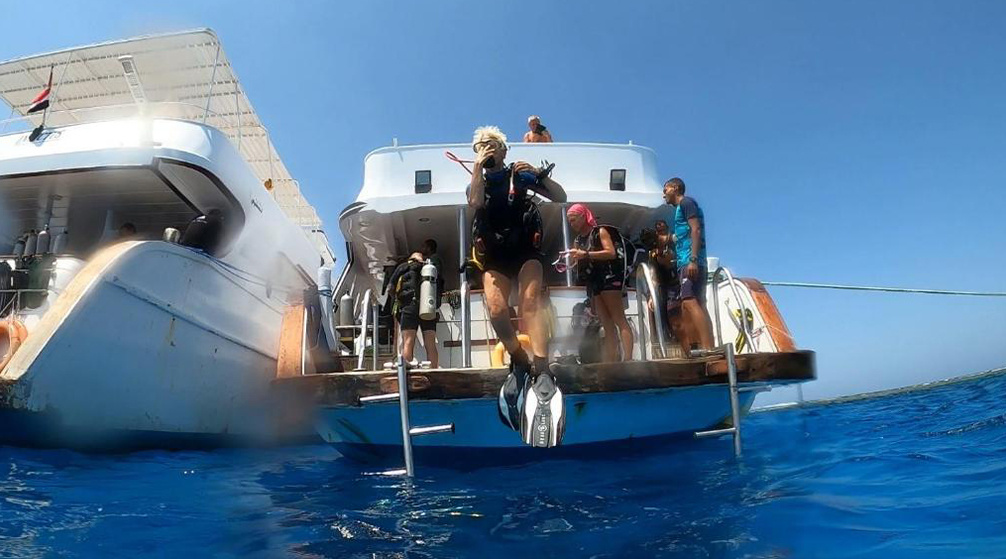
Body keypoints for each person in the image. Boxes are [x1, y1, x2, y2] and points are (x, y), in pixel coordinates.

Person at [467, 125, 567, 445]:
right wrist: (477, 169)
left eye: (491, 144)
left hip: (525, 251)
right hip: (496, 256)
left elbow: (561, 197)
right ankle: (518, 358)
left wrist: (538, 174)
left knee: (530, 302)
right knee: (497, 310)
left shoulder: (519, 175)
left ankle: (543, 368)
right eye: (480, 146)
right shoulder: (478, 182)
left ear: (503, 149)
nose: (486, 149)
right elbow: (474, 202)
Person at [566, 204, 633, 362]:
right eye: (569, 222)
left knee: (619, 319)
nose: (572, 224)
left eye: (574, 220)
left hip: (609, 277)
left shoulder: (600, 232)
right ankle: (610, 361)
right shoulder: (578, 240)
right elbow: (581, 259)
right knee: (606, 323)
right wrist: (570, 260)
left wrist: (586, 254)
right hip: (594, 281)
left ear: (583, 217)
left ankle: (628, 359)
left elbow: (611, 253)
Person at [662, 177, 714, 351]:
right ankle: (702, 345)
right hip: (688, 260)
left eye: (665, 190)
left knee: (689, 300)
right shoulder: (682, 208)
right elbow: (683, 234)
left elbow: (695, 229)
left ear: (675, 188)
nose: (663, 194)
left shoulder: (686, 203)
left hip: (690, 261)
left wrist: (693, 259)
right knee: (695, 303)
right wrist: (666, 239)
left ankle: (707, 348)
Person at [386, 251, 438, 368]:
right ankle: (434, 370)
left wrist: (396, 299)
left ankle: (406, 371)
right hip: (428, 306)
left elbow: (390, 287)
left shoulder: (403, 267)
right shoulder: (430, 268)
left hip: (409, 306)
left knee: (408, 342)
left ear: (411, 258)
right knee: (430, 344)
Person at [651, 219, 684, 346]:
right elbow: (653, 271)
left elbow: (671, 262)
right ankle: (667, 337)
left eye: (663, 231)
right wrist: (651, 296)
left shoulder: (674, 242)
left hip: (675, 282)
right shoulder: (653, 251)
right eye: (658, 231)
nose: (661, 234)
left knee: (675, 313)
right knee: (662, 312)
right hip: (661, 285)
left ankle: (681, 338)